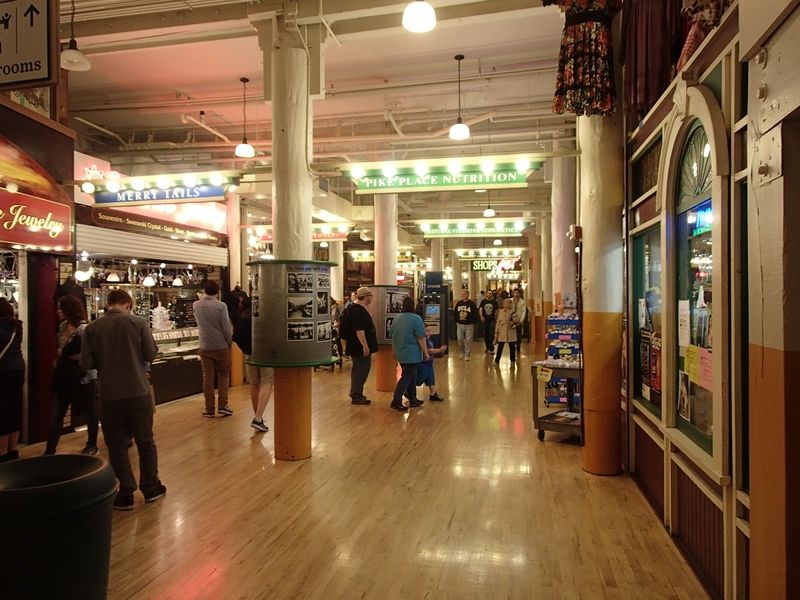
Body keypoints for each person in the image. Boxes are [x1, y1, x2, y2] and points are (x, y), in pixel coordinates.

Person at [80, 289, 165, 510]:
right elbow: (150, 354)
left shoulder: (92, 328)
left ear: (108, 303)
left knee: (116, 446)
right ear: (128, 304)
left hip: (109, 394)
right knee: (145, 442)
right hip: (138, 390)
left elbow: (86, 363)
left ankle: (126, 492)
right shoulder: (138, 323)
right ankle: (151, 488)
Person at [44, 295, 99, 456]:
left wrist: (68, 355)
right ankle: (50, 450)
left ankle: (92, 444)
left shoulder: (83, 329)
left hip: (83, 377)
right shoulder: (62, 326)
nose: (57, 311)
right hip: (64, 376)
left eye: (60, 308)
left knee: (90, 411)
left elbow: (92, 355)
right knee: (57, 413)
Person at [193, 280, 234, 418]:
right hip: (221, 345)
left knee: (207, 377)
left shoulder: (196, 305)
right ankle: (223, 405)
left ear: (204, 291)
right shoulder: (221, 306)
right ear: (218, 292)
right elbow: (226, 328)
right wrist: (229, 342)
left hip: (205, 346)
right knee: (224, 375)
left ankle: (209, 408)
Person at [232, 297, 272, 432]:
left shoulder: (241, 316)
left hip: (248, 353)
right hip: (265, 353)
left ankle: (258, 417)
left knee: (254, 384)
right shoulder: (263, 314)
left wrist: (245, 349)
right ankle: (258, 418)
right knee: (267, 383)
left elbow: (235, 336)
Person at [389, 296, 428, 412]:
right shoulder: (416, 319)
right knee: (407, 376)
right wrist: (426, 352)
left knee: (412, 374)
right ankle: (396, 401)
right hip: (412, 353)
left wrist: (394, 351)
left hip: (400, 352)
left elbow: (393, 337)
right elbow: (421, 338)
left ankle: (413, 399)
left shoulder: (397, 319)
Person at [341, 287, 378, 405]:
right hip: (359, 347)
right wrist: (365, 346)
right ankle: (356, 395)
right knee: (361, 370)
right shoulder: (358, 311)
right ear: (366, 296)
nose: (372, 298)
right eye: (370, 296)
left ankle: (357, 393)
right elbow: (359, 330)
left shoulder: (352, 308)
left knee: (359, 370)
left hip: (355, 346)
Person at [0, 298, 23, 463]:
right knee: (15, 406)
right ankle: (13, 449)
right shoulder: (17, 326)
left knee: (2, 410)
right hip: (18, 368)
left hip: (3, 370)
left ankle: (1, 452)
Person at [416, 326, 448, 401]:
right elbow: (429, 350)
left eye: (430, 331)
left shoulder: (429, 340)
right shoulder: (423, 341)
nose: (429, 333)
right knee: (420, 379)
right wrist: (439, 350)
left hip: (429, 363)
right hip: (423, 363)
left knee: (431, 379)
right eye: (427, 331)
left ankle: (433, 394)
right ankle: (408, 391)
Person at [453, 289, 478, 360]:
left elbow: (475, 314)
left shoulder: (472, 304)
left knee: (468, 340)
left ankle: (467, 354)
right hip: (460, 324)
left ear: (468, 294)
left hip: (469, 325)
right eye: (462, 294)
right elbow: (455, 313)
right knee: (460, 339)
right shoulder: (459, 303)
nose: (463, 295)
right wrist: (456, 321)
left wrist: (473, 322)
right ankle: (462, 352)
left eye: (465, 294)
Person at [494, 298, 519, 364]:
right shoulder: (501, 312)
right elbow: (498, 322)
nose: (505, 305)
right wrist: (496, 331)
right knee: (500, 346)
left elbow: (517, 321)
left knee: (512, 346)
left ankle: (512, 360)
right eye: (504, 303)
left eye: (506, 303)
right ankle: (497, 360)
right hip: (502, 331)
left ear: (510, 304)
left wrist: (511, 319)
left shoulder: (513, 312)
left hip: (511, 331)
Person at [511, 288, 528, 356]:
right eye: (515, 293)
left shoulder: (522, 302)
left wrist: (522, 320)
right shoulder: (510, 300)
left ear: (519, 294)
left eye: (517, 293)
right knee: (512, 334)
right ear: (513, 294)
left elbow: (524, 311)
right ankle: (512, 347)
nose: (516, 294)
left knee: (518, 335)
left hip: (519, 321)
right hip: (512, 320)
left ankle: (518, 347)